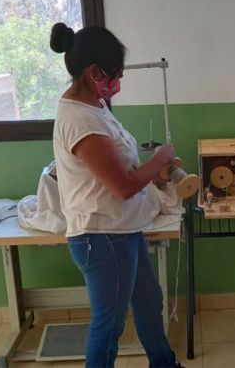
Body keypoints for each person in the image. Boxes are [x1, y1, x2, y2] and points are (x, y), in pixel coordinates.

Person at [50, 23, 181, 368]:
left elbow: (120, 166)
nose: (117, 84)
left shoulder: (95, 105)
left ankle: (164, 363)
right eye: (115, 75)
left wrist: (157, 168)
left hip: (121, 230)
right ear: (95, 72)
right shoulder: (80, 120)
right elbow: (122, 186)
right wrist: (158, 160)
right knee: (109, 327)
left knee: (149, 302)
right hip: (102, 236)